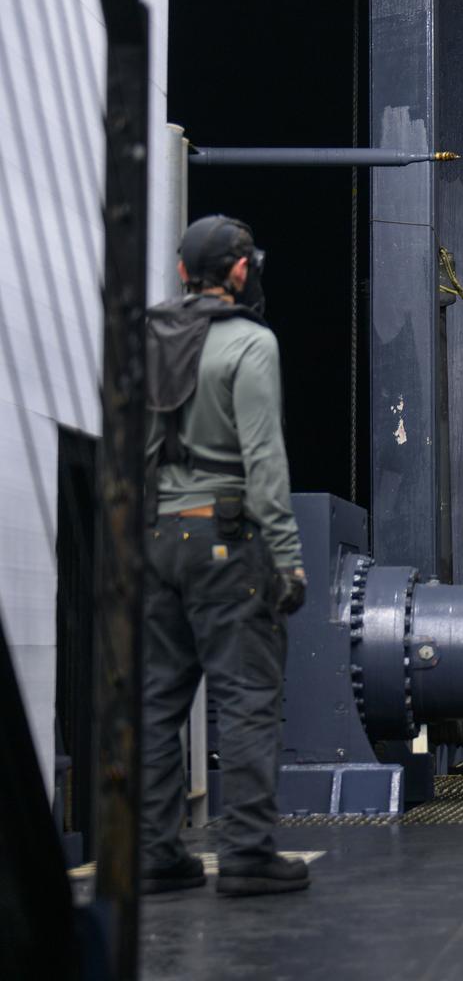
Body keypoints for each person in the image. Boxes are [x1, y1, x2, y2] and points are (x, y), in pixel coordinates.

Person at [140, 214, 310, 897]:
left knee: (156, 701)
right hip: (228, 539)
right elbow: (264, 458)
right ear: (240, 271)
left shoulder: (148, 338)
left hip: (154, 539)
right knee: (245, 698)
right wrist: (289, 560)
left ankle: (154, 852)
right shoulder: (250, 344)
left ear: (184, 273)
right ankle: (245, 853)